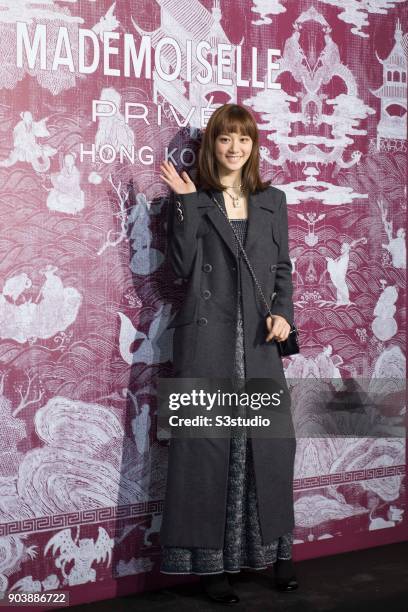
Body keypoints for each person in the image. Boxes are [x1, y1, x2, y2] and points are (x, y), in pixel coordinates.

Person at [159, 103, 298, 604]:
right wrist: (184, 203)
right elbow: (181, 269)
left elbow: (281, 269)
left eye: (243, 139)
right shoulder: (190, 199)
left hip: (259, 345)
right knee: (204, 452)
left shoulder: (273, 200)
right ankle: (208, 567)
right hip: (206, 343)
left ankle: (278, 554)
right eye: (224, 139)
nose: (234, 148)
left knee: (269, 451)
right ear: (210, 145)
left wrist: (284, 313)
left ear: (253, 145)